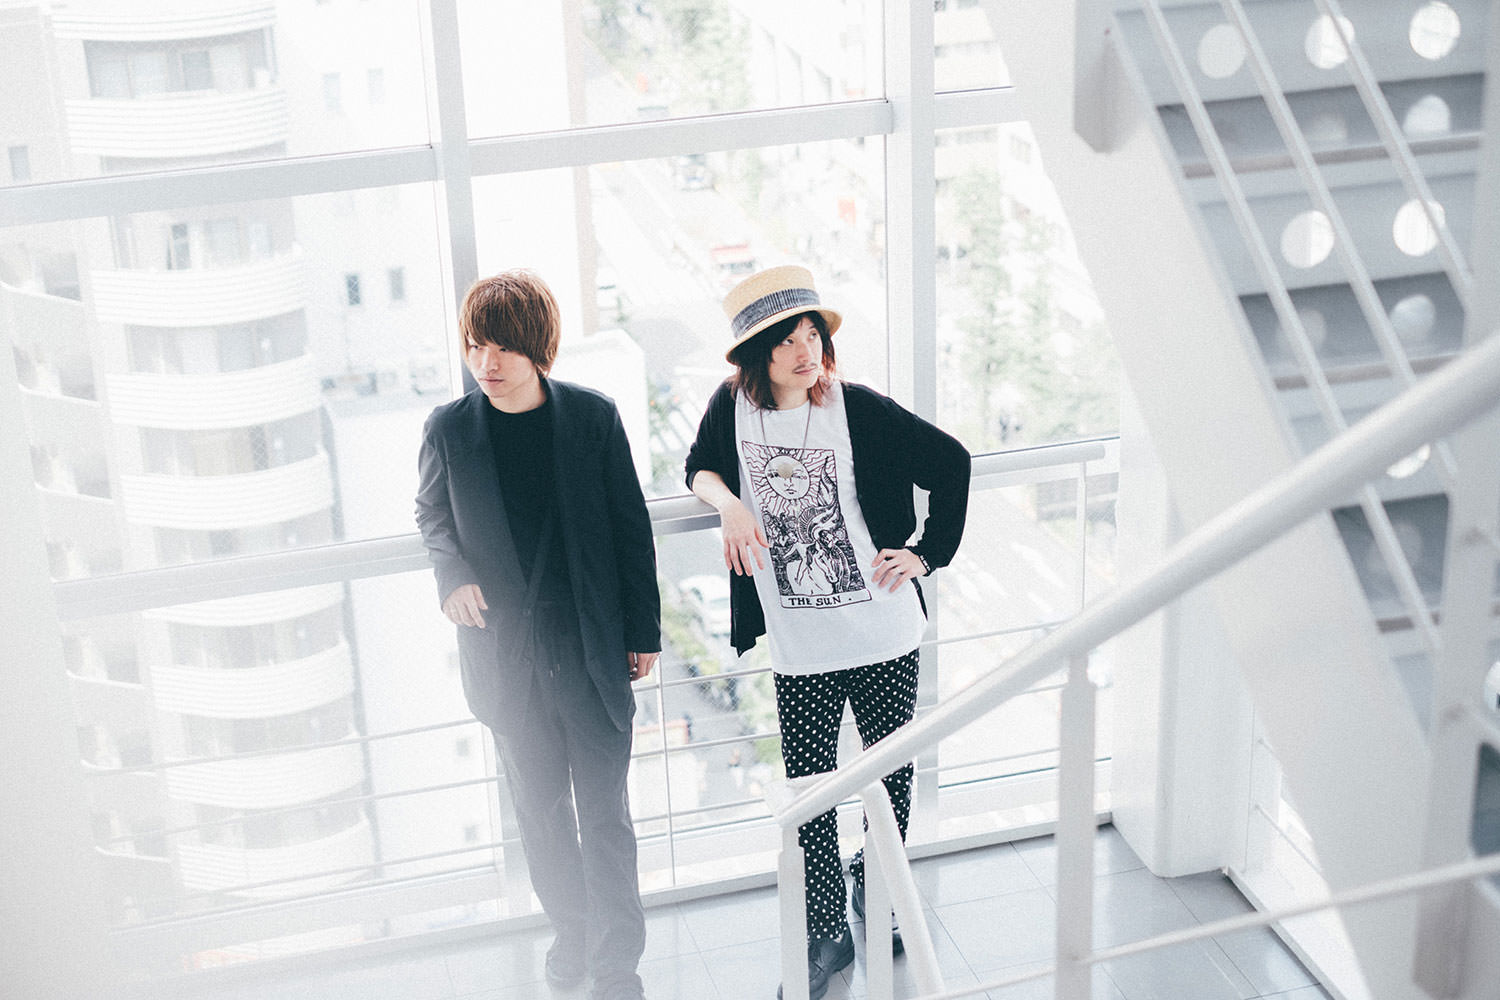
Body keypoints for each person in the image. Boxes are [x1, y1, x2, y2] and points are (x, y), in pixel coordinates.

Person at [684, 265, 970, 1000]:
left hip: (883, 634)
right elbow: (699, 468)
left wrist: (926, 554)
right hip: (801, 648)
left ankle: (879, 886)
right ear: (757, 356)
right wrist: (729, 506)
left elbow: (951, 462)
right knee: (810, 793)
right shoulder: (731, 408)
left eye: (812, 335)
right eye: (787, 341)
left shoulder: (857, 408)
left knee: (890, 778)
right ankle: (826, 928)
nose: (805, 351)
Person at [414, 270, 660, 1000]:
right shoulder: (449, 430)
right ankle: (572, 936)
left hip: (590, 649)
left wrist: (642, 629)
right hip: (507, 657)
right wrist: (451, 574)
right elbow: (431, 514)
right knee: (542, 815)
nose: (485, 362)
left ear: (537, 348)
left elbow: (630, 526)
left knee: (606, 816)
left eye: (502, 347)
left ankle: (617, 962)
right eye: (474, 345)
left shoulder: (592, 418)